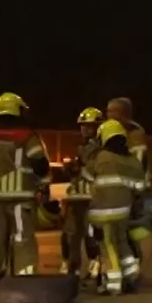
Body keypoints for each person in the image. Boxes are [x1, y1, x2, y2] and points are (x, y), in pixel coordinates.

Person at [0, 92, 51, 293]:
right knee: (22, 238)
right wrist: (43, 185)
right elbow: (39, 163)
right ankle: (24, 280)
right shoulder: (26, 136)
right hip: (21, 197)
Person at [87, 119, 148, 295]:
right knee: (121, 241)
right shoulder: (132, 161)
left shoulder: (102, 157)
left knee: (107, 245)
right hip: (123, 211)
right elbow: (139, 188)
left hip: (102, 211)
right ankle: (131, 274)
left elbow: (87, 176)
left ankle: (113, 284)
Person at [106, 97, 150, 271]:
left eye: (113, 111)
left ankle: (133, 264)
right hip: (117, 188)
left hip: (132, 189)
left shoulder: (134, 134)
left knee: (128, 230)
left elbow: (138, 164)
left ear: (125, 113)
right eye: (108, 111)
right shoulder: (111, 133)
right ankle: (122, 266)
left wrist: (134, 189)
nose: (109, 115)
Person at [59, 107, 102, 281]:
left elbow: (95, 171)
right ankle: (72, 268)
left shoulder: (101, 148)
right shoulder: (82, 148)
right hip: (77, 197)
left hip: (93, 198)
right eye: (82, 126)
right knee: (70, 234)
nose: (84, 130)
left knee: (92, 234)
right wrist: (70, 170)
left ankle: (96, 264)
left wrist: (80, 167)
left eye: (89, 126)